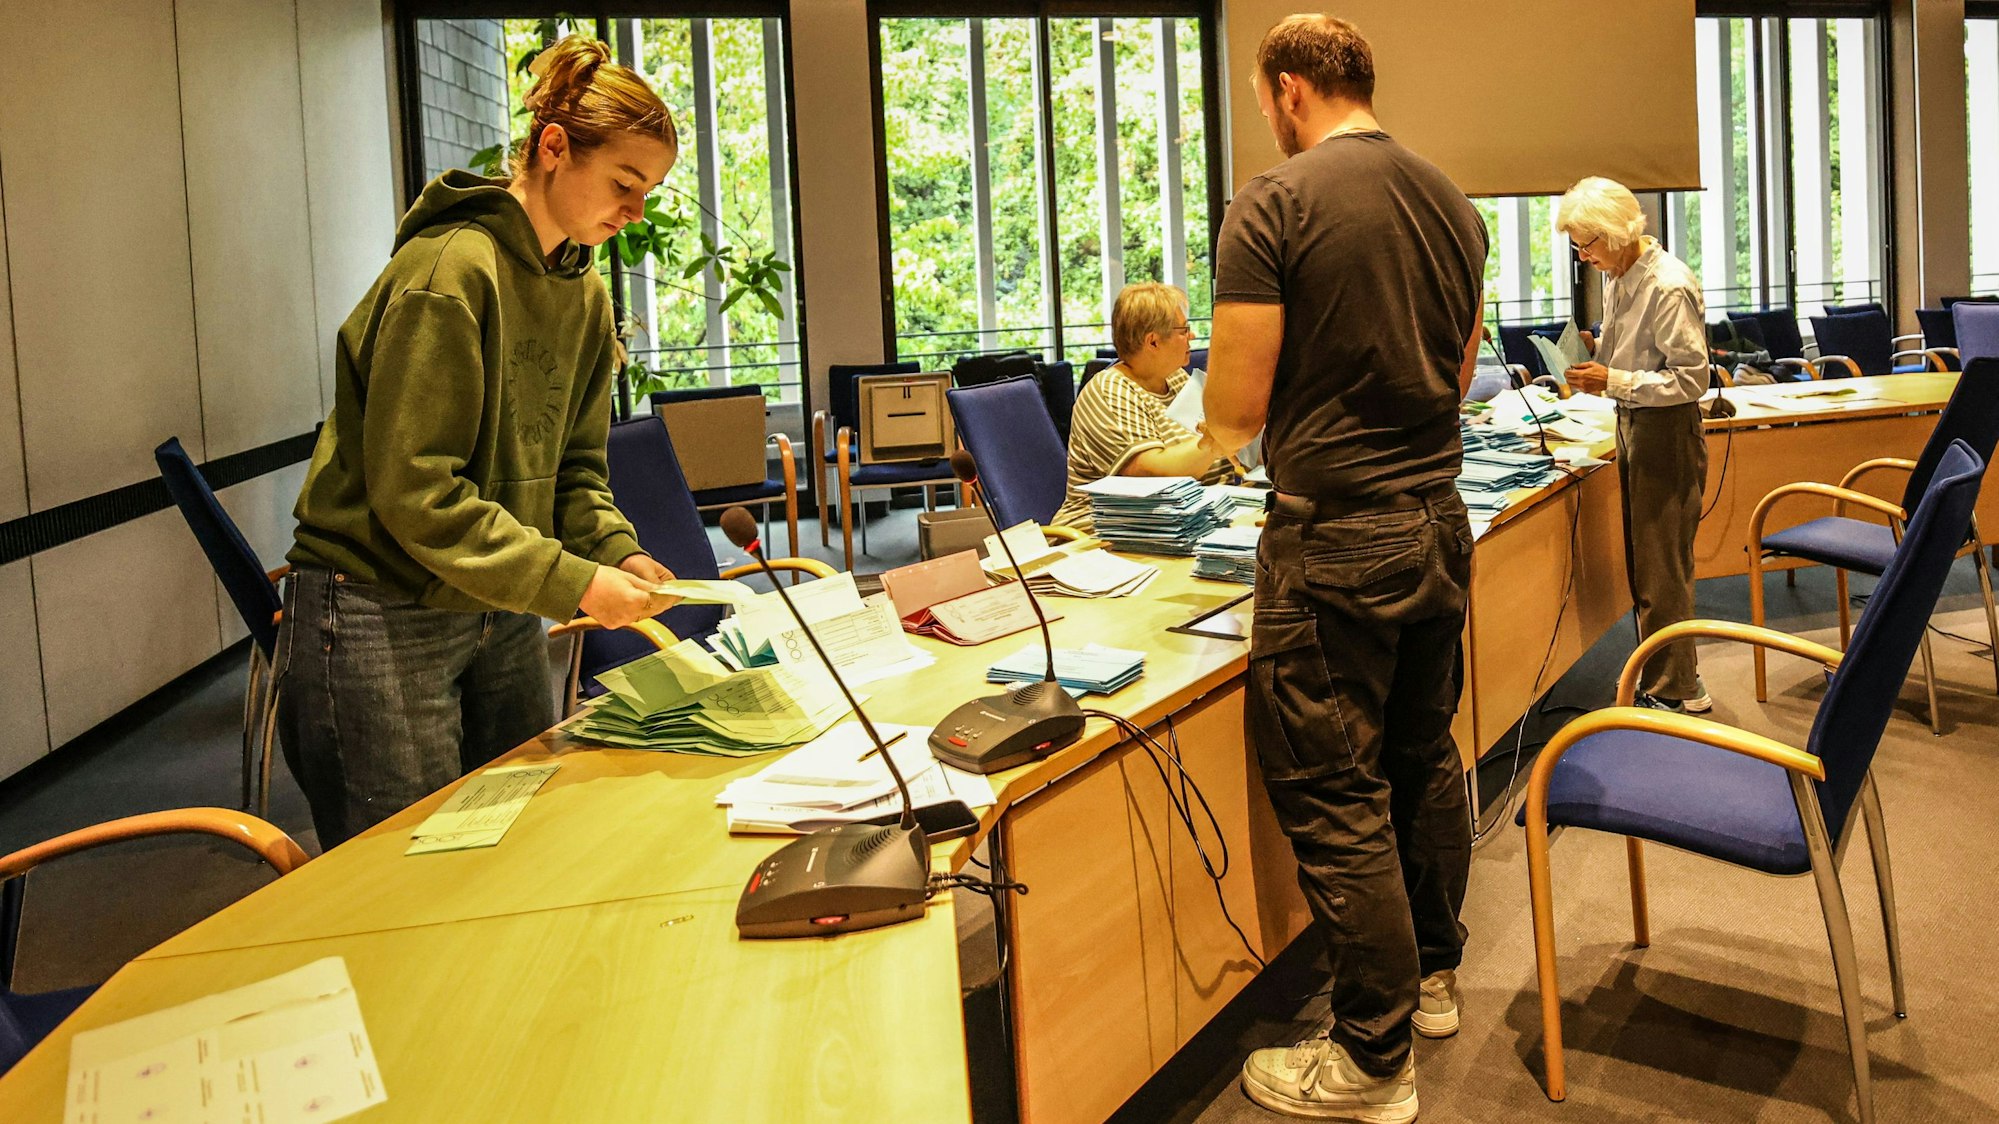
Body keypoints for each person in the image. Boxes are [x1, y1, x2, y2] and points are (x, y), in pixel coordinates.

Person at [277, 35, 683, 847]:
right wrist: (569, 580)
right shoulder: (448, 274)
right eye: (624, 184)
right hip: (376, 608)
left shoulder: (584, 295)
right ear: (555, 148)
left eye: (650, 192)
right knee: (402, 868)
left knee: (519, 841)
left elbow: (574, 469)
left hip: (493, 598)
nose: (635, 211)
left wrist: (617, 553)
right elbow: (415, 493)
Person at [1203, 15, 1487, 1121]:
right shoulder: (1452, 203)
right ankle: (1431, 977)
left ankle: (1369, 1061)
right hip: (1435, 515)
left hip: (1333, 542)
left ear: (1284, 90)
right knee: (1423, 753)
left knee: (1335, 789)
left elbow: (1231, 411)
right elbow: (1458, 376)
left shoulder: (1270, 205)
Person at [1558, 176, 1712, 713]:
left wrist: (1614, 380)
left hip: (1666, 432)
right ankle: (1669, 677)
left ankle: (1677, 692)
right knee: (1647, 567)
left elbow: (1693, 380)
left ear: (1618, 232)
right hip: (1634, 425)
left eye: (1588, 244)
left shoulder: (1666, 284)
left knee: (1662, 570)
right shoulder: (1621, 273)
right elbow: (1630, 352)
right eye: (1578, 246)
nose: (1584, 257)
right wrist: (1593, 355)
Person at [1052, 282, 1232, 530]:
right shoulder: (1109, 391)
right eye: (1183, 329)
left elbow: (1222, 455)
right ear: (1153, 342)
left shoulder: (1175, 378)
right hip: (1102, 537)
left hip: (1176, 524)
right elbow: (1153, 478)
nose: (1191, 336)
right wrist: (1219, 437)